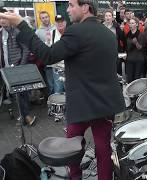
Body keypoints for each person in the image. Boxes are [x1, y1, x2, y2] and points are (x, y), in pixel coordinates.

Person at [0, 0, 125, 179]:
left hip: (83, 104)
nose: (67, 10)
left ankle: (75, 177)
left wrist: (21, 25)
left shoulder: (76, 31)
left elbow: (48, 56)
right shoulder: (108, 33)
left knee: (71, 148)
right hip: (106, 104)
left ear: (85, 7)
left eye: (71, 5)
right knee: (103, 149)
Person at [0, 8, 36, 126]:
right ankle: (24, 116)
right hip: (6, 69)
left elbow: (26, 49)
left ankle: (26, 116)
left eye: (4, 18)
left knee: (21, 93)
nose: (2, 20)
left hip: (18, 68)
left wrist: (21, 66)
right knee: (17, 95)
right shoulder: (1, 33)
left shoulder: (17, 31)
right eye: (0, 18)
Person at [125, 17, 145, 83]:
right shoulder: (127, 35)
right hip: (129, 59)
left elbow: (141, 48)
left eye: (132, 23)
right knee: (129, 78)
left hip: (138, 59)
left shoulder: (141, 34)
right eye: (130, 23)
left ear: (136, 24)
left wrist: (136, 43)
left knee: (137, 78)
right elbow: (126, 47)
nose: (130, 25)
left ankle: (136, 93)